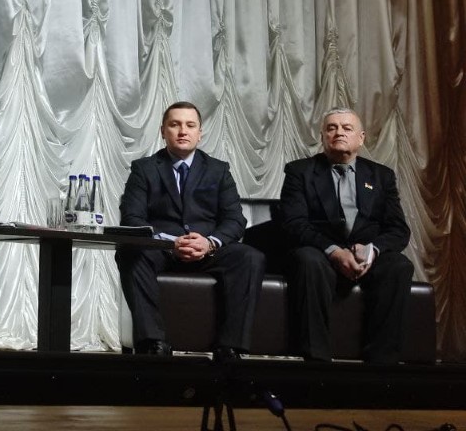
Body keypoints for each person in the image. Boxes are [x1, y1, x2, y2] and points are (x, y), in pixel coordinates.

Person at [116, 101, 265, 362]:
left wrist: (210, 243)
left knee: (250, 257)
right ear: (163, 131)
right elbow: (132, 218)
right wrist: (170, 243)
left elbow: (234, 219)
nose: (183, 131)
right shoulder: (144, 169)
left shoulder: (218, 170)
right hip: (162, 249)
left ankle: (230, 347)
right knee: (129, 252)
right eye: (175, 125)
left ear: (200, 133)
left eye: (190, 125)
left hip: (208, 250)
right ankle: (153, 343)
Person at [278, 107, 413, 364]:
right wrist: (334, 251)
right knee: (308, 260)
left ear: (361, 138)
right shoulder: (299, 171)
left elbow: (398, 229)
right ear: (323, 137)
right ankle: (316, 358)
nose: (339, 132)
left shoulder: (381, 176)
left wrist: (371, 250)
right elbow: (293, 223)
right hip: (320, 251)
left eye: (346, 128)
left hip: (366, 254)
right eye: (331, 128)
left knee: (399, 266)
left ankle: (382, 361)